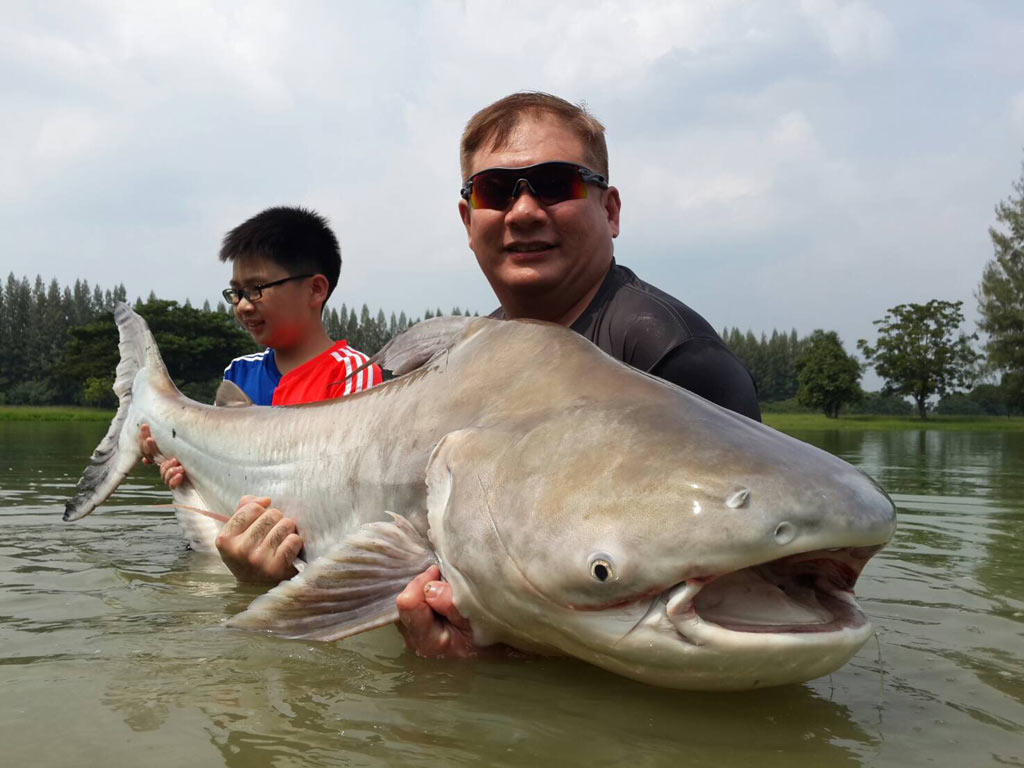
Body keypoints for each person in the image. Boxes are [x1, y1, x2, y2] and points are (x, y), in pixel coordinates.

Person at [395, 91, 760, 656]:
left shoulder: (673, 359)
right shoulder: (468, 355)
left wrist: (500, 654)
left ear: (610, 211)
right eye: (495, 191)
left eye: (556, 184)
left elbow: (735, 584)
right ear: (469, 222)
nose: (523, 212)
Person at [139, 206, 382, 582]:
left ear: (315, 289)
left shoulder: (355, 377)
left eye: (256, 289)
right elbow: (219, 473)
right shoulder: (240, 373)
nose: (242, 306)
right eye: (234, 293)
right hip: (233, 550)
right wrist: (181, 469)